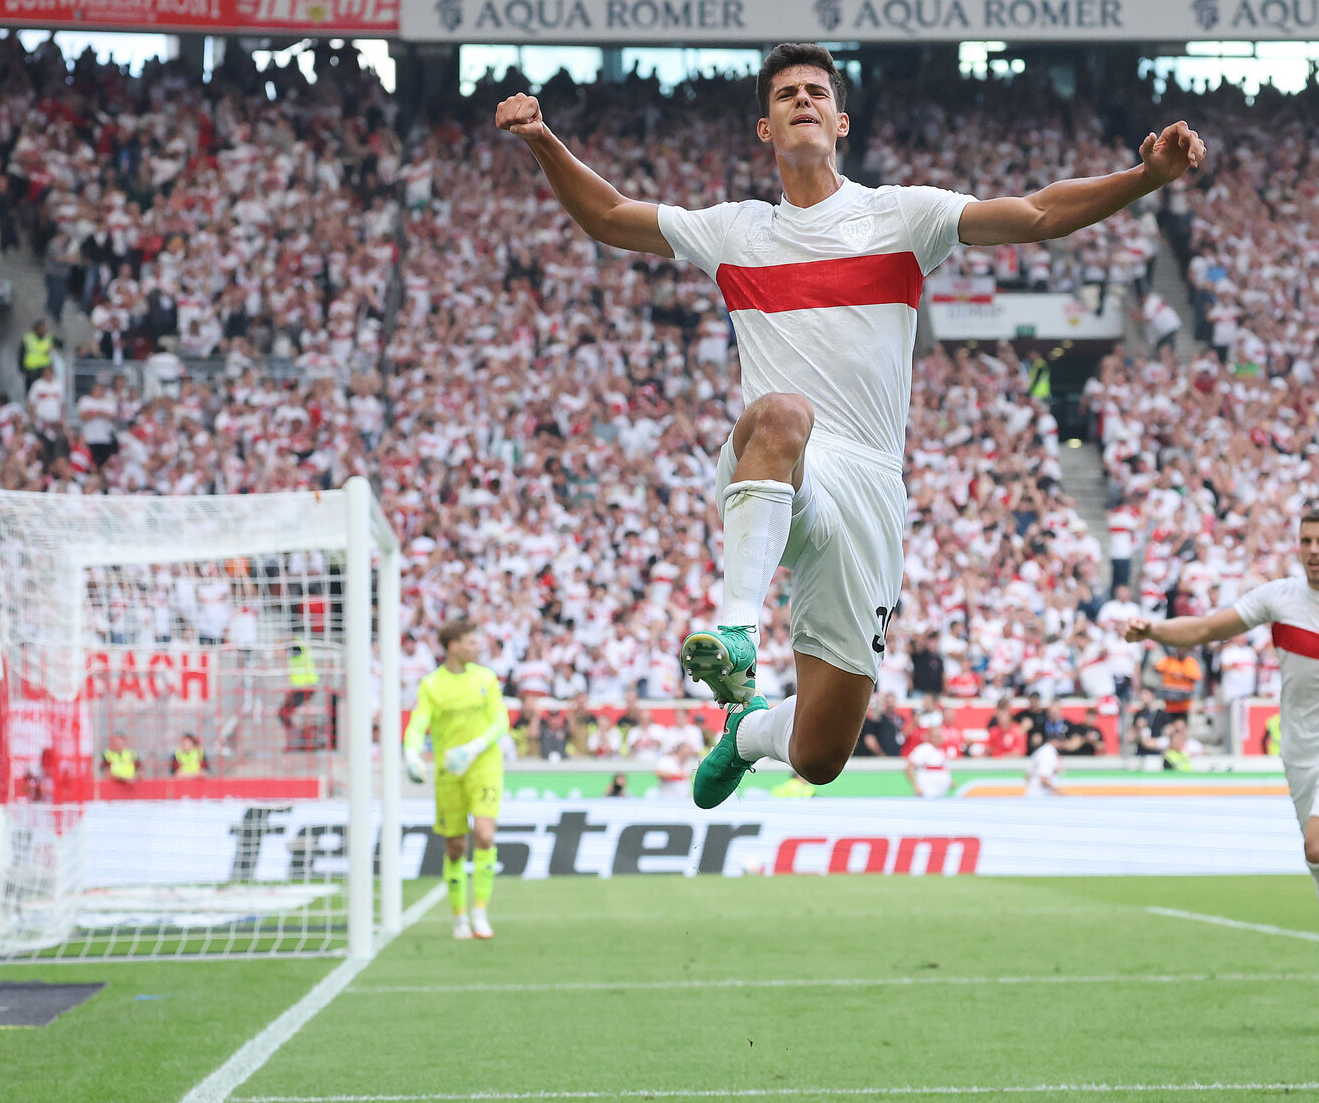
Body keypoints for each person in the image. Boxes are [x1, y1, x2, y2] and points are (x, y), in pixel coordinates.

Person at [496, 43, 1205, 809]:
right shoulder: (735, 231)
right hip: (777, 460)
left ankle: (747, 732)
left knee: (821, 753)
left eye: (816, 92)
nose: (802, 100)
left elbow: (1036, 214)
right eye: (785, 95)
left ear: (840, 121)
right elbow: (608, 215)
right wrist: (542, 139)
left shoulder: (901, 216)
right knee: (783, 411)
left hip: (868, 485)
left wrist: (1144, 179)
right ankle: (737, 634)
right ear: (765, 128)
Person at [1125, 504, 1319, 1032]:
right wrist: (1153, 630)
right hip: (1300, 749)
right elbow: (1207, 627)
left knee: (1318, 846)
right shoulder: (1280, 597)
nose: (1313, 550)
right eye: (1306, 540)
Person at [403, 618, 507, 940]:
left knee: (485, 835)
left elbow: (501, 721)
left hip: (484, 767)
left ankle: (480, 912)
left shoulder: (486, 678)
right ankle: (459, 917)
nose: (478, 647)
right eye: (471, 642)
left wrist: (475, 746)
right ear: (454, 646)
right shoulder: (432, 685)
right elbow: (418, 723)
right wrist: (411, 753)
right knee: (455, 846)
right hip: (449, 773)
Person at [903, 726, 951, 799]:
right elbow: (908, 768)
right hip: (927, 791)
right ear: (929, 737)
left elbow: (942, 769)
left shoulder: (941, 750)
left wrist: (949, 782)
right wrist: (916, 786)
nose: (938, 739)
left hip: (940, 793)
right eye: (935, 737)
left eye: (939, 736)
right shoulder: (924, 749)